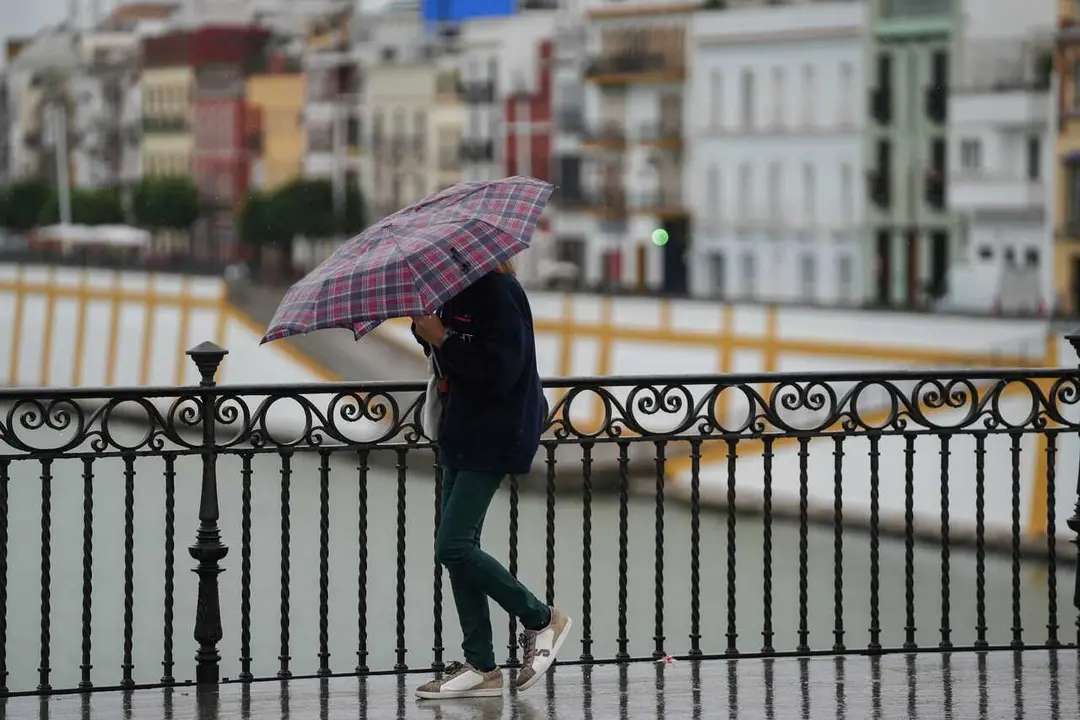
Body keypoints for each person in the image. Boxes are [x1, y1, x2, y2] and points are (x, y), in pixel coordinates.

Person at [410, 261, 572, 700]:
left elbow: (501, 370)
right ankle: (482, 665)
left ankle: (540, 618)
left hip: (494, 433)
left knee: (453, 545)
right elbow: (452, 358)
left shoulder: (499, 292)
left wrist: (442, 336)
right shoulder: (452, 294)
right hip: (458, 431)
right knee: (459, 550)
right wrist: (427, 329)